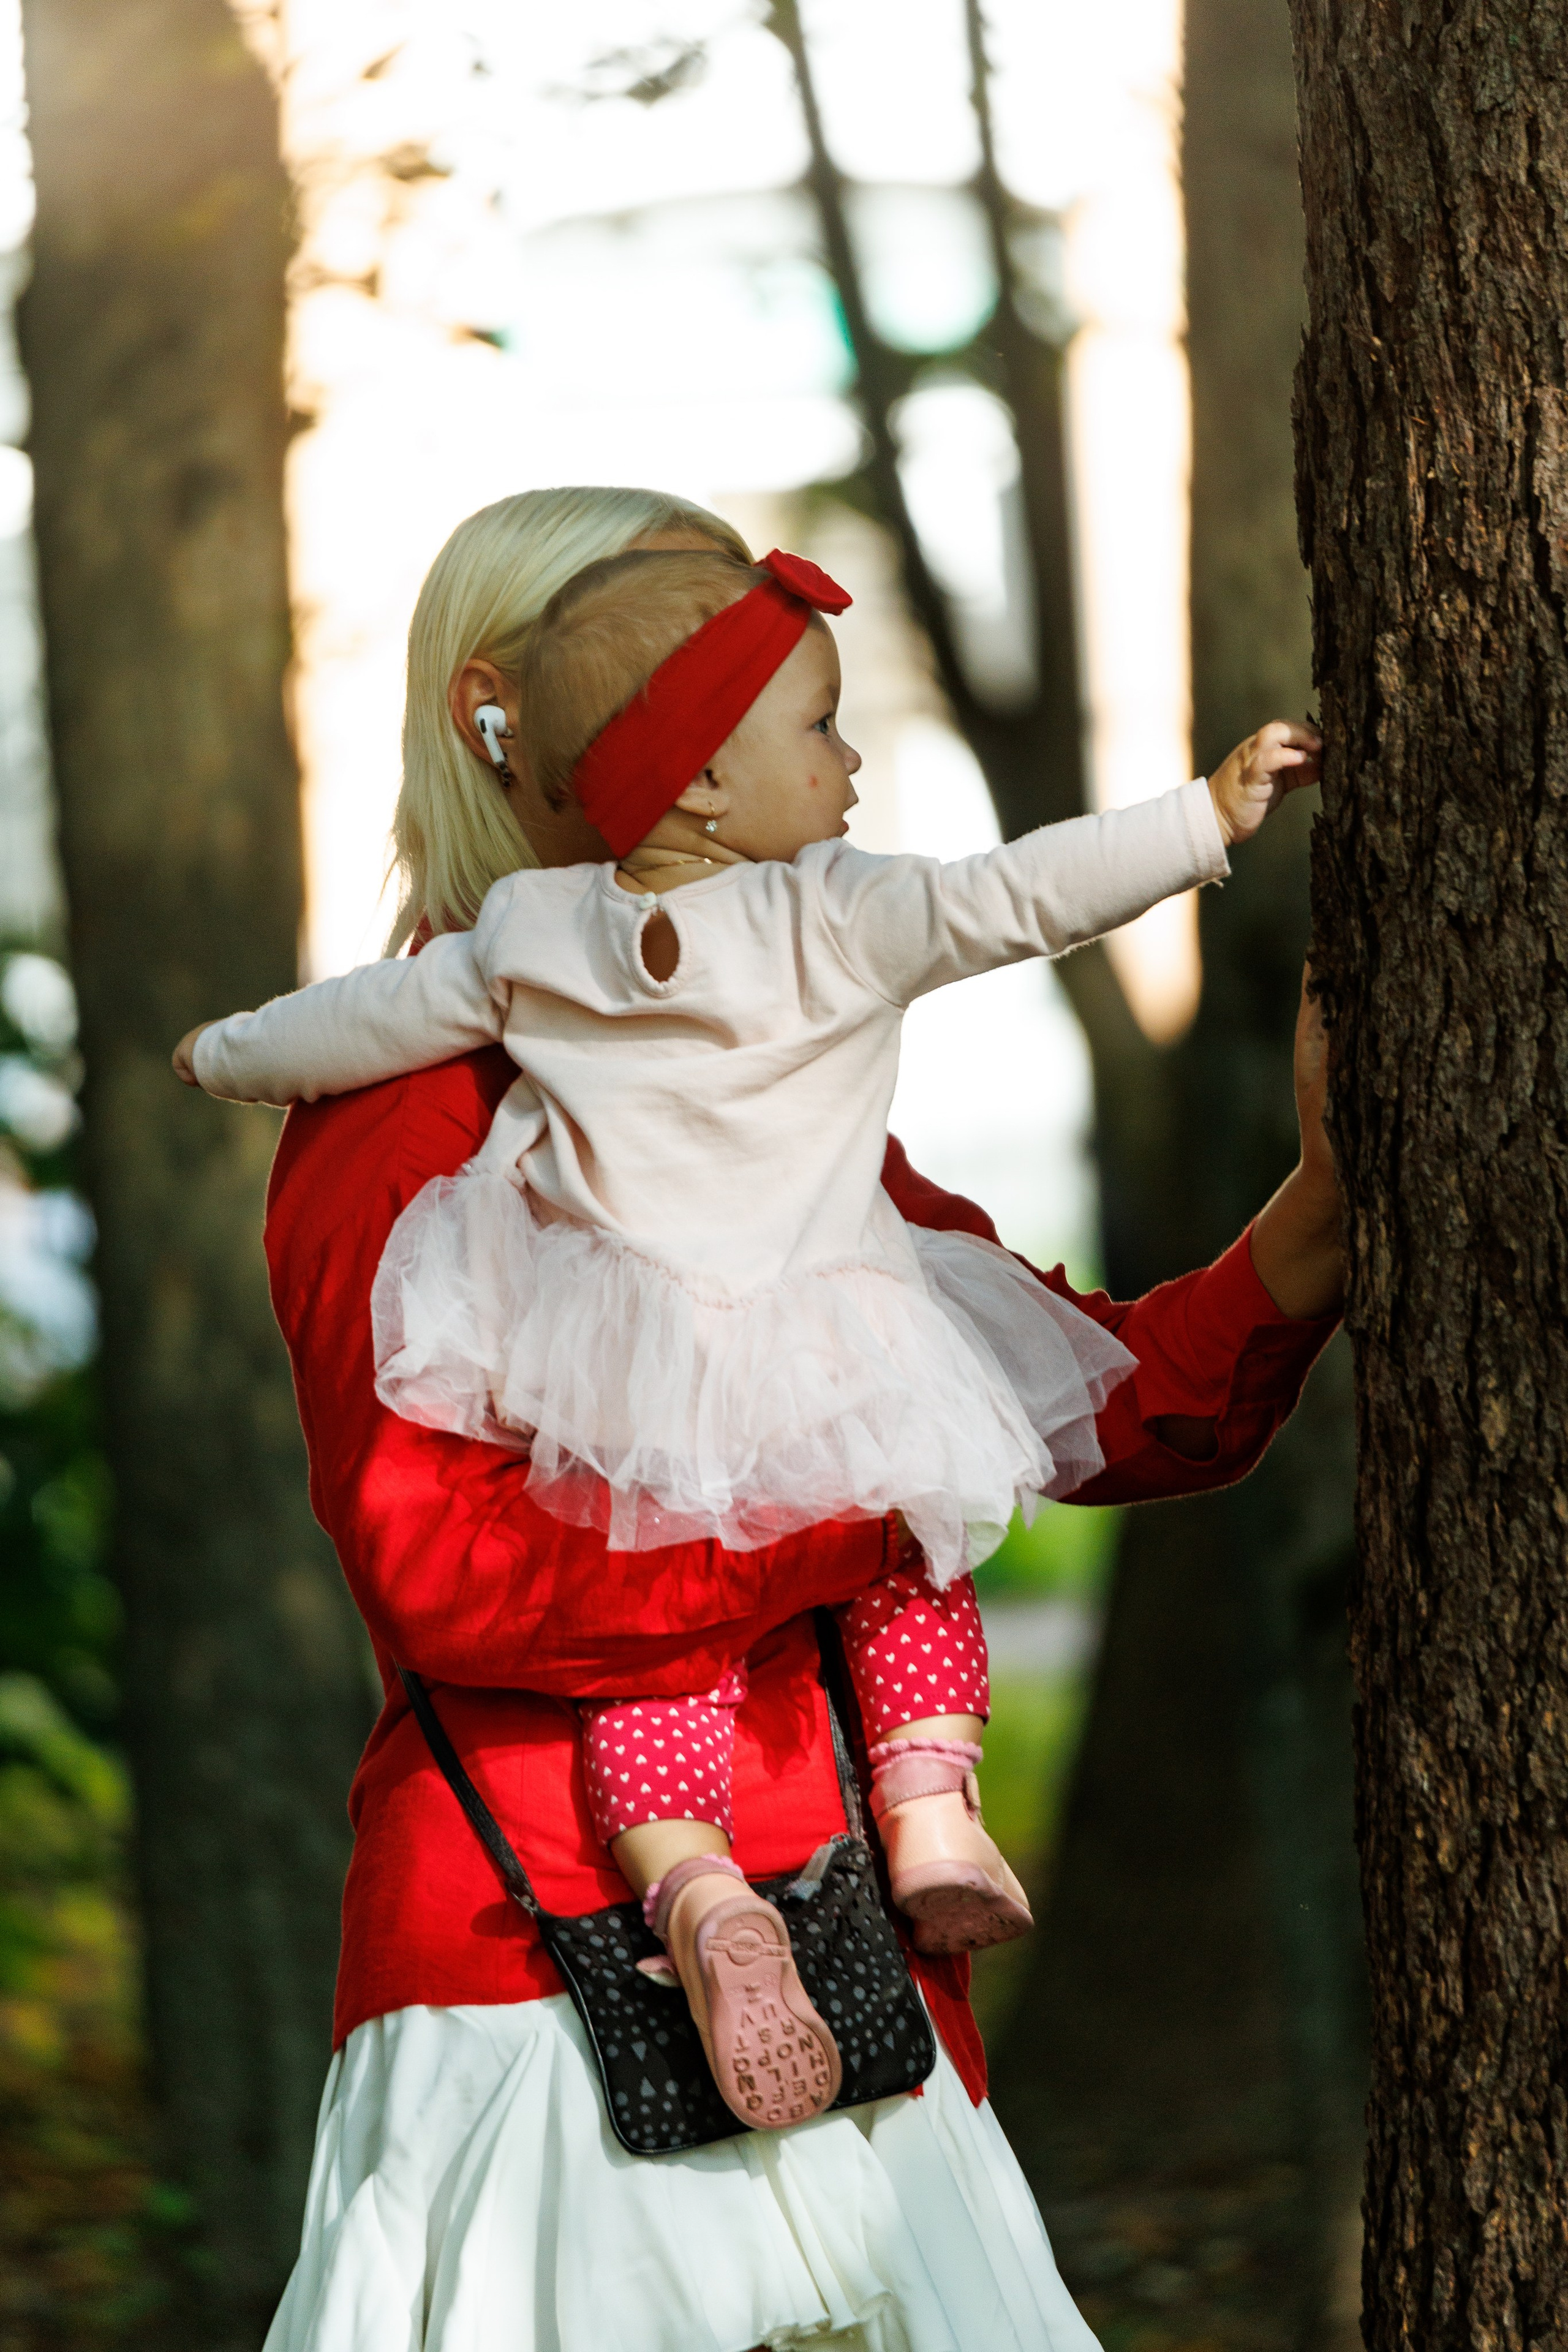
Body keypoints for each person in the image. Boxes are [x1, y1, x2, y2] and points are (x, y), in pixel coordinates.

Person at [243, 486, 1342, 2352]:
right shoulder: (400, 1122)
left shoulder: (757, 1081)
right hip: (544, 1997)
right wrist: (854, 1511)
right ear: (519, 723)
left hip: (862, 1979)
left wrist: (1327, 1205)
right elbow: (451, 1579)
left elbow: (1083, 1408)